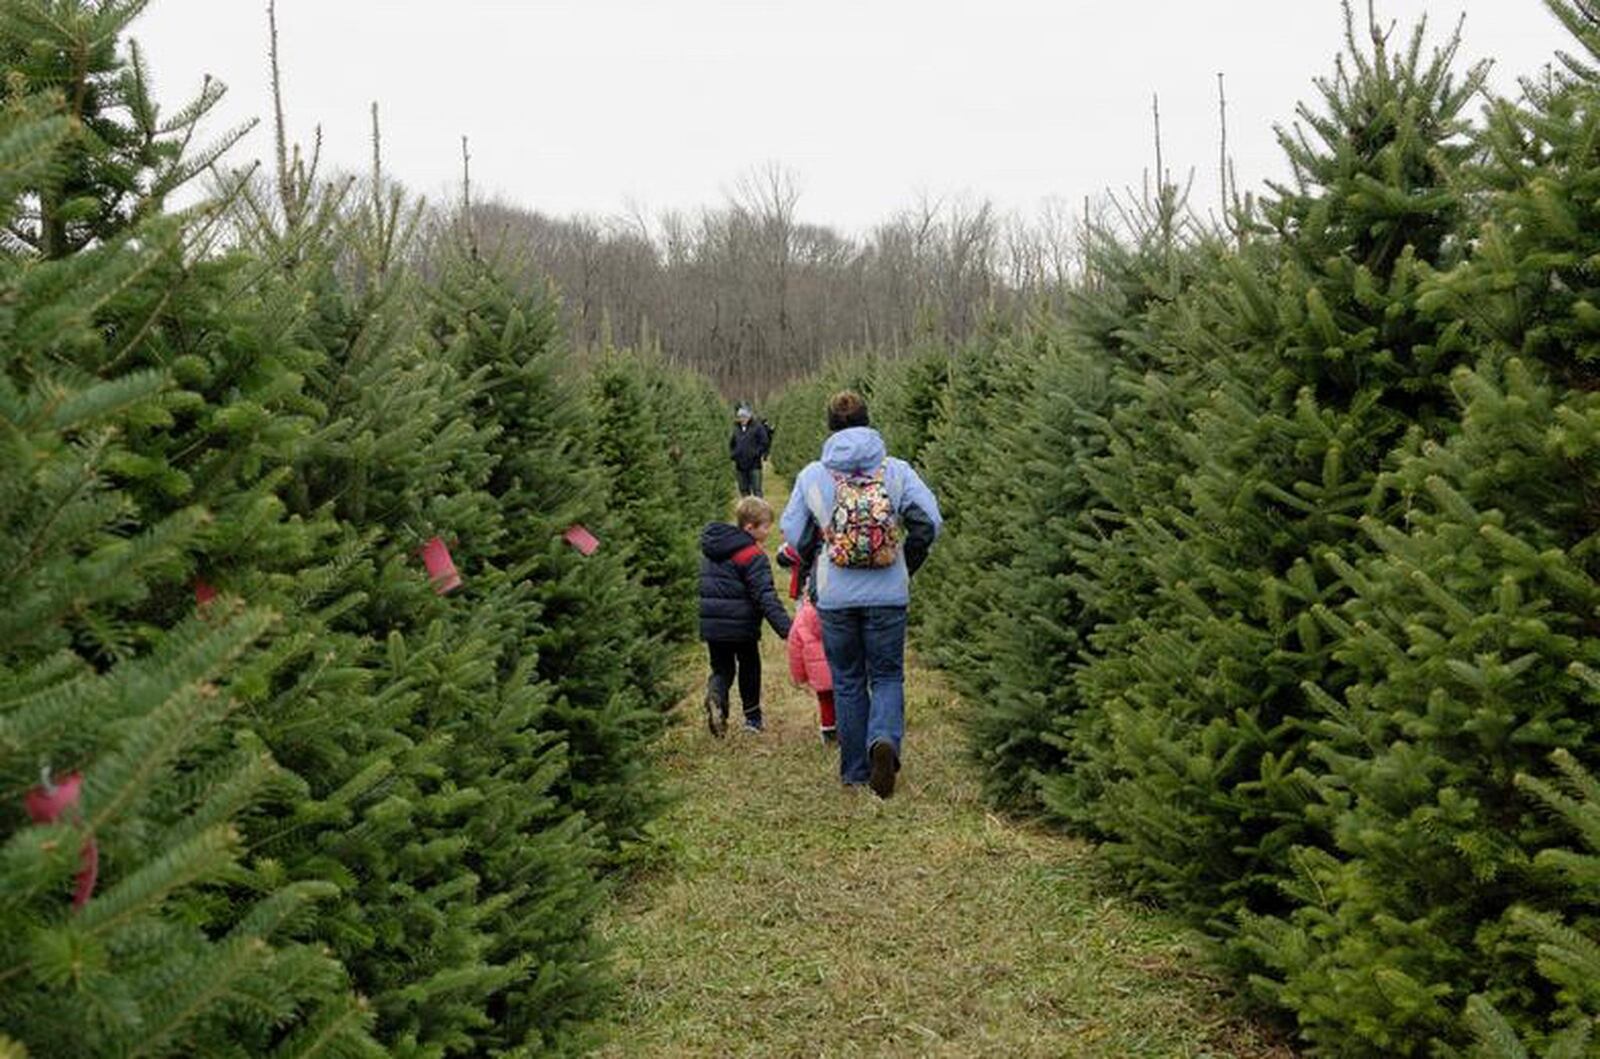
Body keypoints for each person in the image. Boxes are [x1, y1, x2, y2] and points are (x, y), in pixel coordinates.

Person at [780, 391, 941, 798]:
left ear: (830, 427)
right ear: (869, 421)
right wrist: (906, 563)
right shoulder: (897, 470)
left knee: (848, 680)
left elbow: (795, 535)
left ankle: (854, 771)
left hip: (836, 598)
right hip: (888, 594)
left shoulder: (813, 475)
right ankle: (883, 740)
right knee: (886, 675)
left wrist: (821, 553)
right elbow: (930, 522)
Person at [699, 496, 792, 736]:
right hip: (741, 627)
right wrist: (787, 630)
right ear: (749, 527)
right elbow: (765, 596)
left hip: (713, 624)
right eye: (765, 526)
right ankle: (752, 719)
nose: (768, 531)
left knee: (721, 669)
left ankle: (716, 696)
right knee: (749, 666)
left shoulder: (712, 549)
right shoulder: (752, 555)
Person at [779, 543, 836, 745]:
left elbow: (795, 646)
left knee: (825, 698)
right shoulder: (845, 614)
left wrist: (800, 675)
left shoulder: (805, 615)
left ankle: (829, 729)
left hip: (819, 674)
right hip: (844, 669)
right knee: (849, 693)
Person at [729, 405, 771, 497]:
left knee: (757, 490)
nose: (742, 419)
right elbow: (731, 443)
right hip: (740, 465)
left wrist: (756, 454)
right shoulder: (736, 429)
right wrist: (734, 454)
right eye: (740, 417)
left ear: (749, 417)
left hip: (754, 465)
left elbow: (764, 442)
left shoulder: (757, 427)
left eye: (744, 416)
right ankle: (746, 510)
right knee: (743, 490)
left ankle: (759, 510)